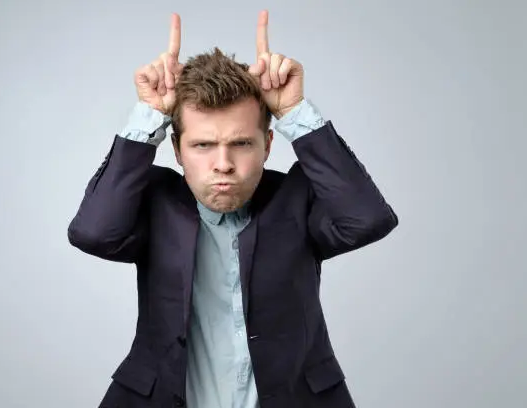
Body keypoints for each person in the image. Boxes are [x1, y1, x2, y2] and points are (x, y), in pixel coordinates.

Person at [68, 10, 398, 408]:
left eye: (241, 144)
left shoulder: (297, 198)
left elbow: (367, 219)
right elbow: (94, 233)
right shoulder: (155, 203)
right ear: (177, 149)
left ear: (268, 146)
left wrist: (294, 113)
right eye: (203, 145)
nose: (222, 163)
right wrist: (150, 116)